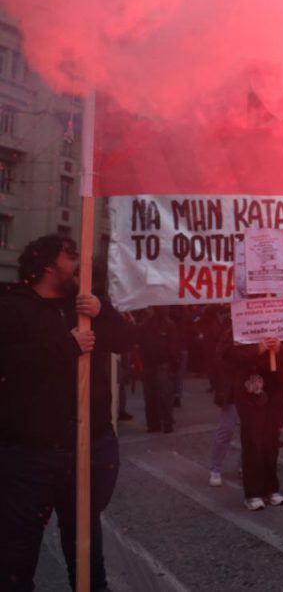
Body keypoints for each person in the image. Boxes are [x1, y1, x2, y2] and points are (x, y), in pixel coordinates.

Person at [0, 235, 133, 591]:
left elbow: (125, 340)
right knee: (17, 550)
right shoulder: (12, 307)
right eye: (71, 255)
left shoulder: (85, 304)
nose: (81, 262)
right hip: (31, 454)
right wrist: (66, 346)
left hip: (88, 445)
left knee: (85, 543)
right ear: (48, 266)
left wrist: (102, 312)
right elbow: (9, 365)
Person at [220, 329, 283, 511]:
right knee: (252, 438)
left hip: (276, 386)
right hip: (249, 387)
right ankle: (253, 492)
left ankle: (271, 488)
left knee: (272, 438)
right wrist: (257, 349)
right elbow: (226, 354)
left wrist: (280, 349)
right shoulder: (237, 321)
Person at [206, 310, 239, 487]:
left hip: (251, 386)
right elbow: (219, 358)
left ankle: (245, 464)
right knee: (226, 429)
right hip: (231, 389)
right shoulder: (227, 328)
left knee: (250, 431)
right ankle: (215, 468)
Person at [138, 306, 182, 433]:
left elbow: (173, 346)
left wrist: (174, 363)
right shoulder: (148, 324)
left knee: (160, 395)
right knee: (156, 395)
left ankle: (160, 423)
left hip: (160, 363)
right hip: (153, 363)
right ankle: (158, 423)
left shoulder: (166, 324)